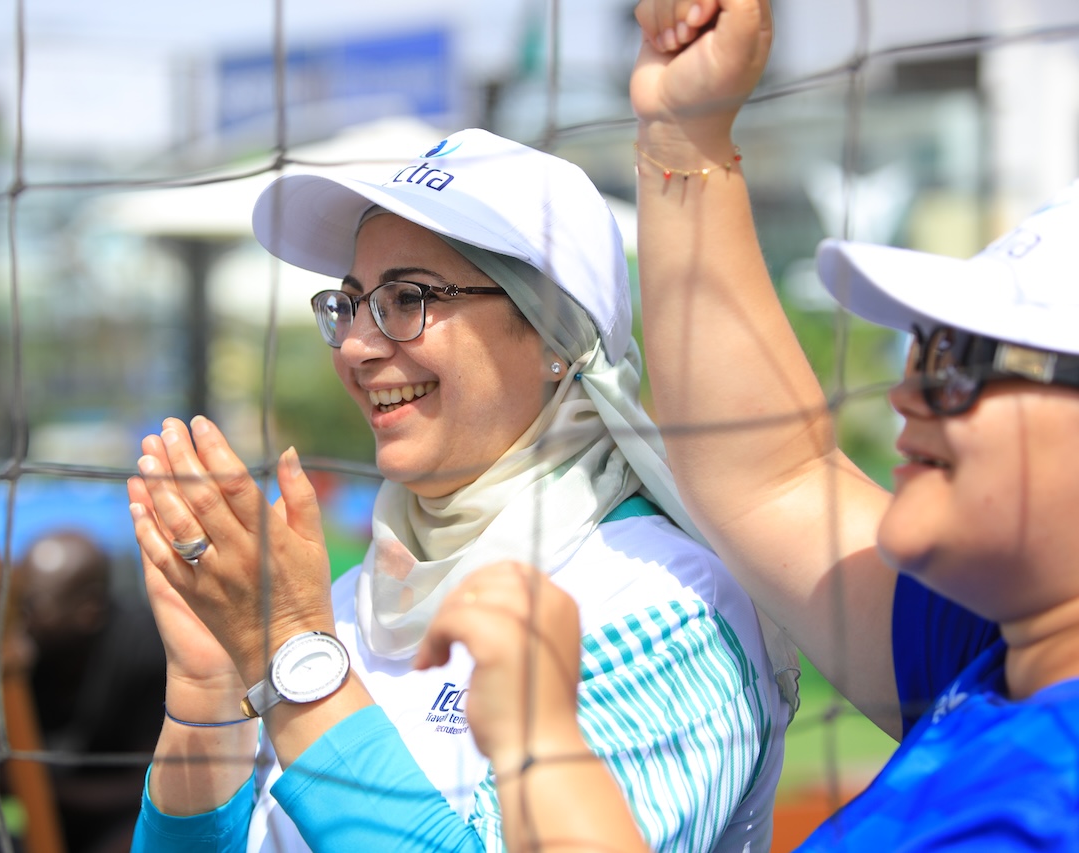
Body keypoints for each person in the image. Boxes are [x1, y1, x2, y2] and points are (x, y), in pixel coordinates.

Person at [422, 0, 1079, 849]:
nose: (906, 393)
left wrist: (539, 742)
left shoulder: (1050, 798)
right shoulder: (1006, 650)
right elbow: (773, 476)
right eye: (923, 348)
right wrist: (683, 135)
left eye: (965, 359)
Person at [126, 126, 793, 852]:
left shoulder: (670, 603)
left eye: (407, 298)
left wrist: (292, 655)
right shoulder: (341, 607)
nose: (357, 346)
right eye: (350, 303)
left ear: (554, 337)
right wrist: (208, 690)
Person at [0, 530, 166, 853]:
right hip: (41, 833)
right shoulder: (10, 654)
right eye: (12, 599)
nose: (13, 616)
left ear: (89, 610)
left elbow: (156, 789)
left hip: (130, 830)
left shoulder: (145, 649)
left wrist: (33, 786)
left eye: (29, 605)